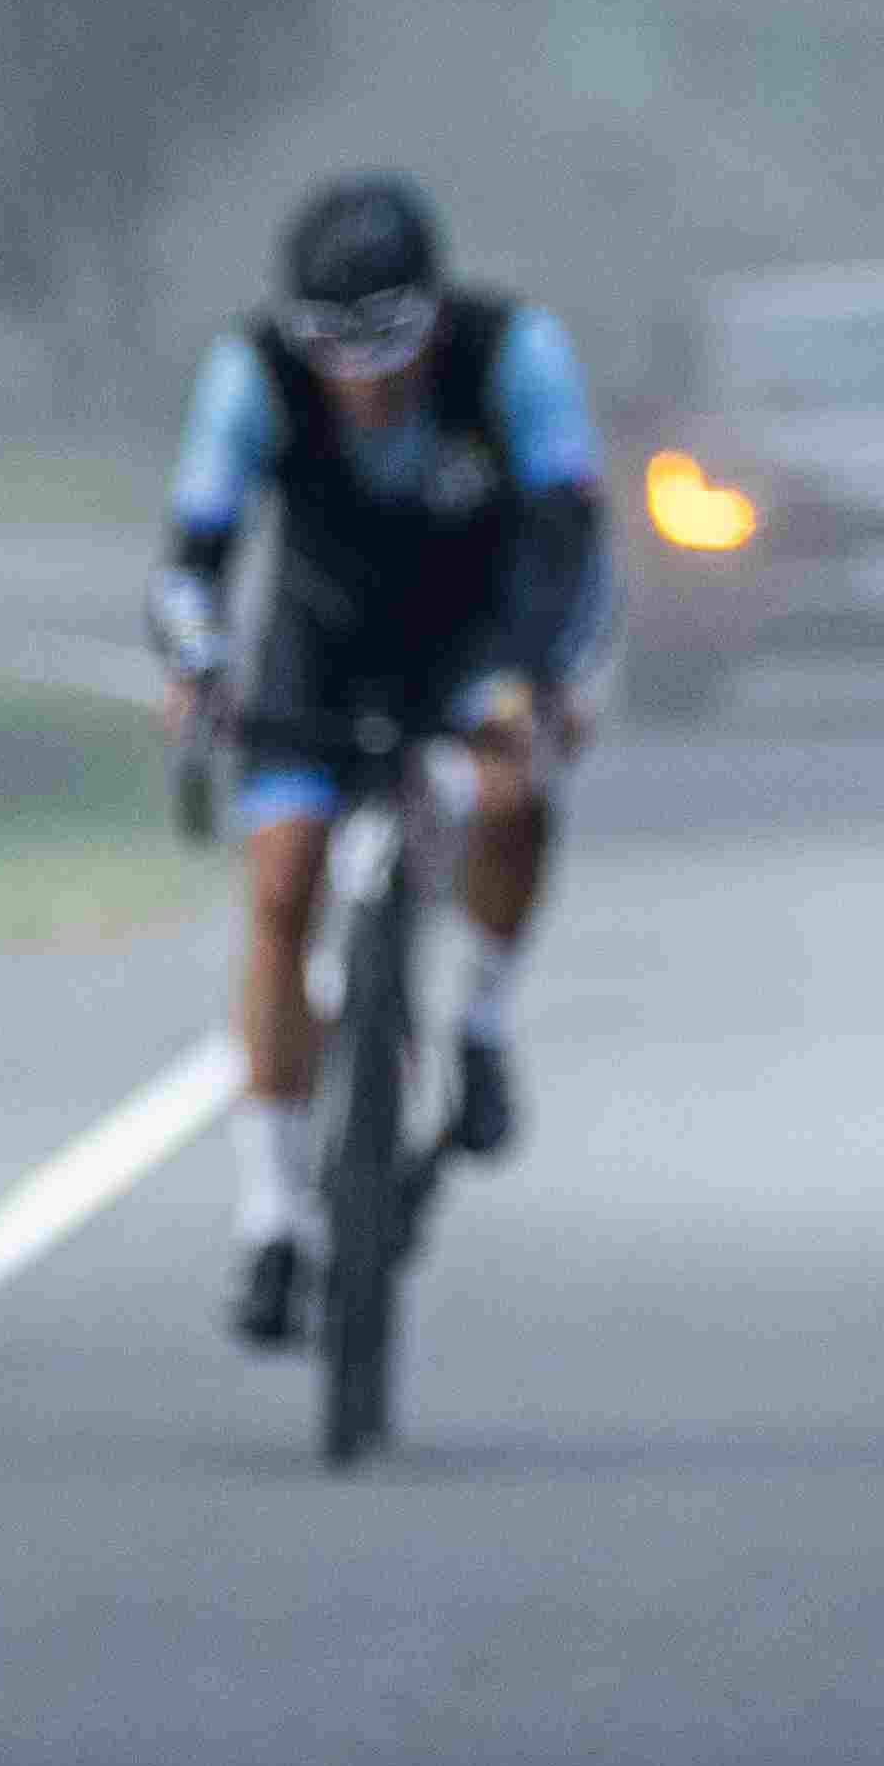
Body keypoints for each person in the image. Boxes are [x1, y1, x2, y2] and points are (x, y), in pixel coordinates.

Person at [150, 171, 603, 1347]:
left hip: (482, 634)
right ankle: (272, 1217)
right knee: (282, 884)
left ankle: (483, 1028)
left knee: (513, 792)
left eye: (388, 349)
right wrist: (198, 666)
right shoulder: (248, 373)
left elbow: (566, 539)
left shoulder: (515, 354)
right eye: (333, 353)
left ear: (433, 319)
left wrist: (537, 684)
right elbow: (192, 552)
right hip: (322, 645)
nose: (362, 381)